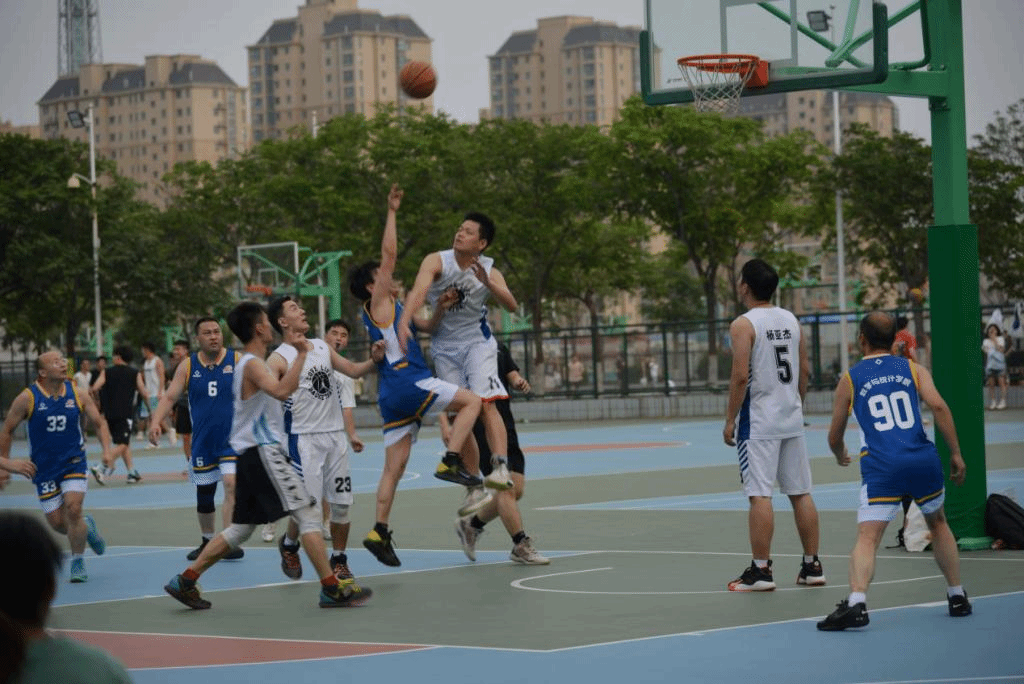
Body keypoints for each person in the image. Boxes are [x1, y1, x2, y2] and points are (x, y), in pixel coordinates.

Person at [163, 301, 372, 610]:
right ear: (261, 328)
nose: (272, 325)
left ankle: (185, 580)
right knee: (308, 515)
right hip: (264, 452)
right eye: (267, 320)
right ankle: (331, 587)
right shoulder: (254, 364)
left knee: (241, 529)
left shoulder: (251, 362)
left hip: (250, 453)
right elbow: (282, 391)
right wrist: (302, 355)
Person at [348, 184, 483, 568]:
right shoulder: (379, 302)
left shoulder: (393, 309)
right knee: (472, 401)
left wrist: (440, 307)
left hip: (391, 395)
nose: (390, 274)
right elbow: (389, 254)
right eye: (382, 275)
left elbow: (426, 326)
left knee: (394, 468)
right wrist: (392, 211)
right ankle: (451, 459)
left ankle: (379, 530)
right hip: (408, 381)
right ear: (372, 285)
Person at [817, 311, 971, 630]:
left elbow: (834, 434)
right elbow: (939, 406)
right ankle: (957, 595)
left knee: (868, 536)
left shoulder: (851, 378)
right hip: (921, 459)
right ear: (894, 340)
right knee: (938, 523)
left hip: (882, 464)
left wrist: (839, 452)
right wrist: (955, 452)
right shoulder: (913, 369)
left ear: (862, 339)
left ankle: (857, 603)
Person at [396, 210, 517, 495]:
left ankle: (500, 466)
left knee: (486, 403)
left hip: (477, 343)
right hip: (444, 347)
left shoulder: (489, 269)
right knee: (459, 411)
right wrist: (404, 321)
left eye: (468, 232)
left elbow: (511, 305)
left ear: (481, 243)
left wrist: (488, 283)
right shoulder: (437, 261)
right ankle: (471, 479)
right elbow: (418, 291)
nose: (459, 233)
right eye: (459, 229)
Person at [723, 258, 824, 591]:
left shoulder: (743, 324)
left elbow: (740, 376)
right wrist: (796, 405)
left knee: (759, 494)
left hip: (759, 422)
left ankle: (761, 571)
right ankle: (812, 566)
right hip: (791, 418)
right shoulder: (791, 320)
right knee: (800, 492)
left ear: (745, 286)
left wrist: (730, 419)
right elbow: (804, 370)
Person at [266, 297, 379, 585]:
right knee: (310, 509)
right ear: (282, 321)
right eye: (294, 309)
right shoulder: (278, 359)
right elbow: (272, 396)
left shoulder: (321, 346)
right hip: (304, 441)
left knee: (341, 505)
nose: (302, 310)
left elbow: (352, 370)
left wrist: (375, 359)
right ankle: (294, 549)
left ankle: (339, 560)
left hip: (335, 438)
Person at [0, 351, 112, 583]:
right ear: (42, 372)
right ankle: (87, 527)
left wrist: (107, 451)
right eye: (55, 362)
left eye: (63, 361)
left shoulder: (78, 393)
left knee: (73, 508)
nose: (62, 364)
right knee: (59, 523)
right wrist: (5, 465)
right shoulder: (28, 398)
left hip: (73, 462)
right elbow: (7, 430)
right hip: (44, 469)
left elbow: (99, 423)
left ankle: (77, 560)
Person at [148, 319, 244, 561]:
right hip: (203, 441)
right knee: (205, 493)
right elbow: (169, 397)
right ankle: (207, 541)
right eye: (207, 333)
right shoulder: (188, 366)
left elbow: (261, 386)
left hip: (232, 440)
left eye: (217, 332)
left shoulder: (237, 360)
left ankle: (228, 541)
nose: (213, 336)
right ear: (198, 339)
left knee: (231, 484)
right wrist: (155, 421)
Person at [0, 511, 133, 683]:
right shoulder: (101, 671)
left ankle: (78, 555)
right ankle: (83, 527)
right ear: (52, 589)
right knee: (57, 521)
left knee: (73, 509)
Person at [450, 340, 550, 565]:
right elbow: (449, 391)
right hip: (480, 428)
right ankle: (520, 544)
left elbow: (511, 374)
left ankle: (471, 526)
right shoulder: (458, 346)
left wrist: (518, 381)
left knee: (517, 489)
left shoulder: (496, 345)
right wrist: (448, 425)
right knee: (505, 487)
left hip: (504, 424)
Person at [89, 346, 148, 484]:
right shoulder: (135, 373)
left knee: (124, 443)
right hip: (125, 413)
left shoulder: (106, 372)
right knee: (123, 443)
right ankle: (101, 466)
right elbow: (144, 393)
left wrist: (98, 401)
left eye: (113, 355)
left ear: (118, 357)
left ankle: (131, 472)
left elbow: (95, 388)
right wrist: (151, 410)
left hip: (108, 413)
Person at [167, 339, 193, 461]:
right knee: (186, 436)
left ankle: (202, 461)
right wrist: (172, 407)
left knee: (199, 435)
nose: (175, 352)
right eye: (175, 349)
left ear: (186, 350)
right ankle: (190, 462)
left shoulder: (194, 364)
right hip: (182, 404)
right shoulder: (176, 368)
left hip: (196, 404)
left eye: (178, 349)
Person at [139, 342, 167, 447]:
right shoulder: (146, 362)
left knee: (155, 418)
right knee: (149, 418)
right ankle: (156, 438)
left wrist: (160, 391)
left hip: (156, 393)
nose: (142, 352)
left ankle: (155, 441)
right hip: (148, 393)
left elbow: (162, 376)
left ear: (148, 350)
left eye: (143, 350)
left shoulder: (157, 361)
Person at [983, 323, 1008, 410]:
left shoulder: (1000, 339)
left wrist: (994, 340)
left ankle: (1003, 401)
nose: (992, 330)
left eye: (994, 329)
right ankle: (993, 402)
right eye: (990, 329)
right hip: (990, 365)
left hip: (1000, 364)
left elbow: (1001, 350)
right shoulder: (985, 341)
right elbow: (986, 351)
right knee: (991, 384)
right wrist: (991, 343)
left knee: (1002, 383)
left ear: (997, 331)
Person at [73, 359, 92, 438]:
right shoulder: (77, 376)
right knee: (81, 416)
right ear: (81, 365)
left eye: (88, 364)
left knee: (88, 416)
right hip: (80, 399)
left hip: (89, 398)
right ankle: (80, 432)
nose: (87, 366)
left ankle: (85, 431)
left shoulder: (90, 375)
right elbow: (74, 386)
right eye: (85, 364)